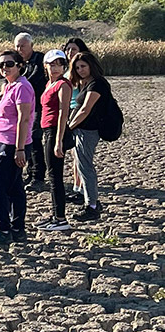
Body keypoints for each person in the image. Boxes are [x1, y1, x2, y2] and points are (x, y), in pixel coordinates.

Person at [0, 51, 35, 246]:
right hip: (3, 141)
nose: (5, 68)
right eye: (1, 64)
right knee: (13, 185)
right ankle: (17, 228)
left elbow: (24, 118)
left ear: (20, 65)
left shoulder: (22, 87)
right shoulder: (9, 86)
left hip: (12, 144)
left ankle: (2, 228)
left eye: (9, 64)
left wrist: (19, 149)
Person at [66, 51, 109, 222]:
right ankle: (90, 201)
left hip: (89, 131)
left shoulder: (97, 84)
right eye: (77, 67)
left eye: (83, 66)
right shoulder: (86, 83)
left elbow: (85, 109)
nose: (80, 70)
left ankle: (92, 206)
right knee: (81, 164)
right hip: (82, 129)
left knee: (85, 167)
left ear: (91, 65)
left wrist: (69, 126)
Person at [36, 50, 73, 232]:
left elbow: (63, 113)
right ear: (46, 66)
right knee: (52, 175)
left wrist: (58, 140)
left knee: (55, 175)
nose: (55, 67)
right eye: (52, 64)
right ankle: (55, 214)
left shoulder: (63, 85)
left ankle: (60, 217)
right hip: (47, 130)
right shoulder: (49, 84)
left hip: (56, 132)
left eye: (59, 64)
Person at [62, 38, 92, 205]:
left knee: (79, 154)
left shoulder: (82, 71)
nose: (70, 53)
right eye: (67, 50)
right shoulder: (70, 69)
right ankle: (76, 186)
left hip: (77, 110)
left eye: (73, 49)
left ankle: (80, 189)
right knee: (74, 154)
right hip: (69, 110)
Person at [15, 33, 47, 191]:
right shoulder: (18, 63)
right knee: (27, 139)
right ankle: (30, 172)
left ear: (31, 45)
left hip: (40, 107)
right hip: (26, 107)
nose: (19, 49)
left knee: (35, 139)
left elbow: (34, 80)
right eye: (17, 46)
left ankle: (38, 176)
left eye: (22, 46)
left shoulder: (41, 60)